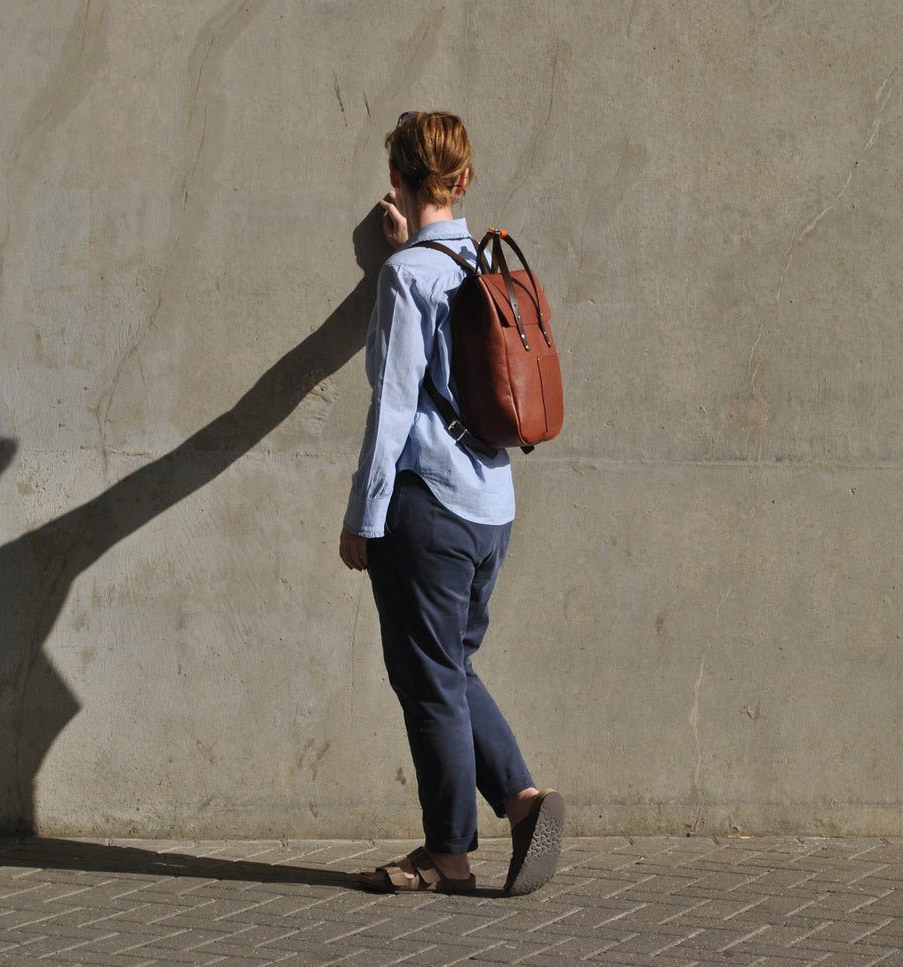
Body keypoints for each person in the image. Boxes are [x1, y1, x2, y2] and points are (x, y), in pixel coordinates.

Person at [339, 111, 564, 896]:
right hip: (491, 504)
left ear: (396, 176)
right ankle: (524, 801)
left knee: (428, 677)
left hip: (426, 507)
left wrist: (363, 517)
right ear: (463, 180)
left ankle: (447, 852)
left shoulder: (408, 277)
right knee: (451, 665)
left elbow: (394, 404)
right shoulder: (479, 261)